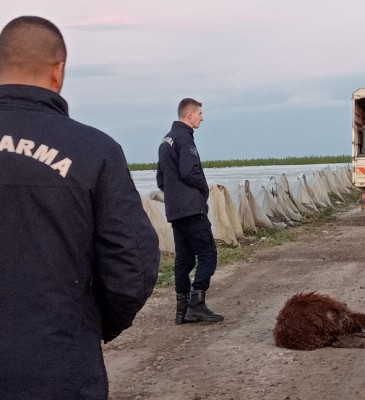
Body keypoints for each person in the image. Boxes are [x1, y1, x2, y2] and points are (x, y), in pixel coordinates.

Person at [0, 16, 160, 399]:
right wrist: (91, 324)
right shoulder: (94, 151)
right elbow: (132, 266)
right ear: (58, 71)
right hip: (58, 367)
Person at [157, 98, 224, 324]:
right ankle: (197, 304)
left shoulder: (165, 141)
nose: (202, 117)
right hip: (191, 209)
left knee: (184, 259)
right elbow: (188, 171)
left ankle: (181, 310)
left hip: (175, 210)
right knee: (208, 254)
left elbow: (160, 179)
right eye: (200, 113)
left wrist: (175, 197)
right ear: (189, 115)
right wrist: (202, 190)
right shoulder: (185, 139)